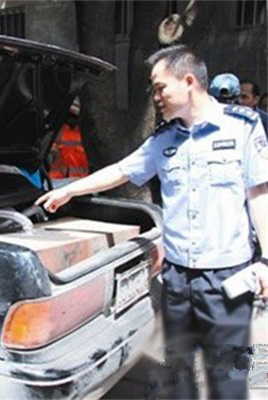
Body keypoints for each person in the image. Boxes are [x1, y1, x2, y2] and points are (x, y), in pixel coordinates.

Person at [36, 45, 268, 399]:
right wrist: (69, 191)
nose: (155, 97)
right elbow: (120, 170)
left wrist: (266, 259)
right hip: (177, 279)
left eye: (160, 87)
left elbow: (259, 195)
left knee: (228, 378)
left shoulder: (243, 128)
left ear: (188, 81)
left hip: (226, 277)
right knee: (176, 371)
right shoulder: (164, 139)